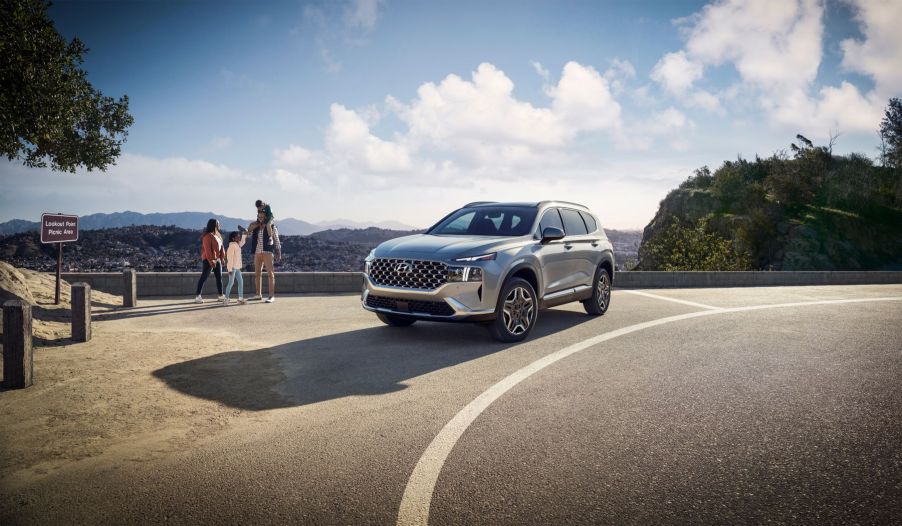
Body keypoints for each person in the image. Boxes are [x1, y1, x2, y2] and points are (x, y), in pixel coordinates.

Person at [248, 210, 281, 303]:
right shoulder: (256, 227)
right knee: (257, 274)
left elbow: (276, 239)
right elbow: (249, 233)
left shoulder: (272, 227)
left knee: (270, 274)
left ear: (266, 217)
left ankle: (271, 296)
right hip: (258, 253)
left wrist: (278, 251)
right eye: (259, 217)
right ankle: (258, 294)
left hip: (268, 252)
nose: (260, 218)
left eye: (262, 217)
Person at [195, 219, 226, 303]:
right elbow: (207, 249)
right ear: (214, 225)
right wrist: (211, 260)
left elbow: (222, 247)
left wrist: (222, 258)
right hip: (208, 260)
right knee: (204, 277)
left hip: (218, 259)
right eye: (218, 224)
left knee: (219, 278)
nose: (220, 225)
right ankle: (198, 296)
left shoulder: (218, 235)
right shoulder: (207, 236)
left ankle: (220, 295)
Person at [224, 230, 247, 305]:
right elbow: (229, 258)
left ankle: (240, 299)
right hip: (233, 268)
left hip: (237, 268)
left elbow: (243, 242)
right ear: (233, 239)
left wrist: (244, 234)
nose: (239, 237)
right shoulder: (232, 246)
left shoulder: (237, 244)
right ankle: (226, 299)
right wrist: (229, 269)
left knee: (241, 282)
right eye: (238, 236)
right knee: (231, 283)